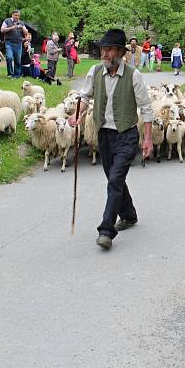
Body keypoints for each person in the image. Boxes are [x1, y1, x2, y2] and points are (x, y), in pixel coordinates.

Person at [71, 29, 154, 250]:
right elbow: (85, 97)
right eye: (103, 49)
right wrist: (77, 115)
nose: (104, 53)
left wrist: (148, 139)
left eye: (108, 50)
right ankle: (129, 214)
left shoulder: (133, 75)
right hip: (104, 136)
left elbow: (146, 108)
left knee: (115, 180)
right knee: (113, 179)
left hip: (126, 135)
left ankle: (106, 230)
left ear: (119, 52)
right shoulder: (96, 72)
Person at [0, 9, 27, 78]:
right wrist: (12, 27)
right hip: (9, 43)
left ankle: (17, 75)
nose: (17, 17)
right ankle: (10, 74)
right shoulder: (7, 20)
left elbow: (26, 33)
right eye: (15, 15)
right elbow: (2, 30)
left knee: (18, 60)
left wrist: (22, 28)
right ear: (12, 15)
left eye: (18, 15)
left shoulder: (21, 23)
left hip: (18, 43)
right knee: (9, 57)